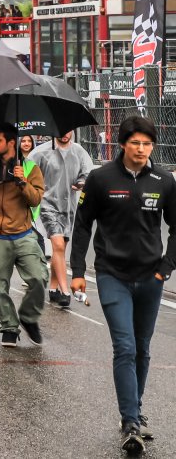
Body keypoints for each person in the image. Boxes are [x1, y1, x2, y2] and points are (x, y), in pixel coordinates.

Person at [70, 116, 176, 455]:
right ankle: (130, 421)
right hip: (111, 275)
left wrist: (165, 268)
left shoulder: (164, 180)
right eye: (135, 143)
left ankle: (135, 409)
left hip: (151, 278)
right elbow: (82, 225)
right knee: (125, 347)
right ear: (123, 145)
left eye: (147, 144)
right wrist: (77, 270)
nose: (142, 149)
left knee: (142, 348)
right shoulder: (101, 178)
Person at [0, 124, 46, 347]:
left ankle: (28, 317)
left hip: (23, 233)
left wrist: (22, 182)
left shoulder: (30, 167)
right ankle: (9, 327)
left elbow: (35, 200)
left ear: (11, 143)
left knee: (38, 277)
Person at [30, 131, 93, 308]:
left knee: (61, 249)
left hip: (68, 206)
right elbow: (29, 173)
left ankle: (53, 288)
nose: (65, 134)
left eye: (68, 130)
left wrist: (81, 182)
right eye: (62, 130)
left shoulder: (79, 151)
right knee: (57, 246)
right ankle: (65, 291)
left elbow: (87, 174)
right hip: (47, 205)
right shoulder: (41, 152)